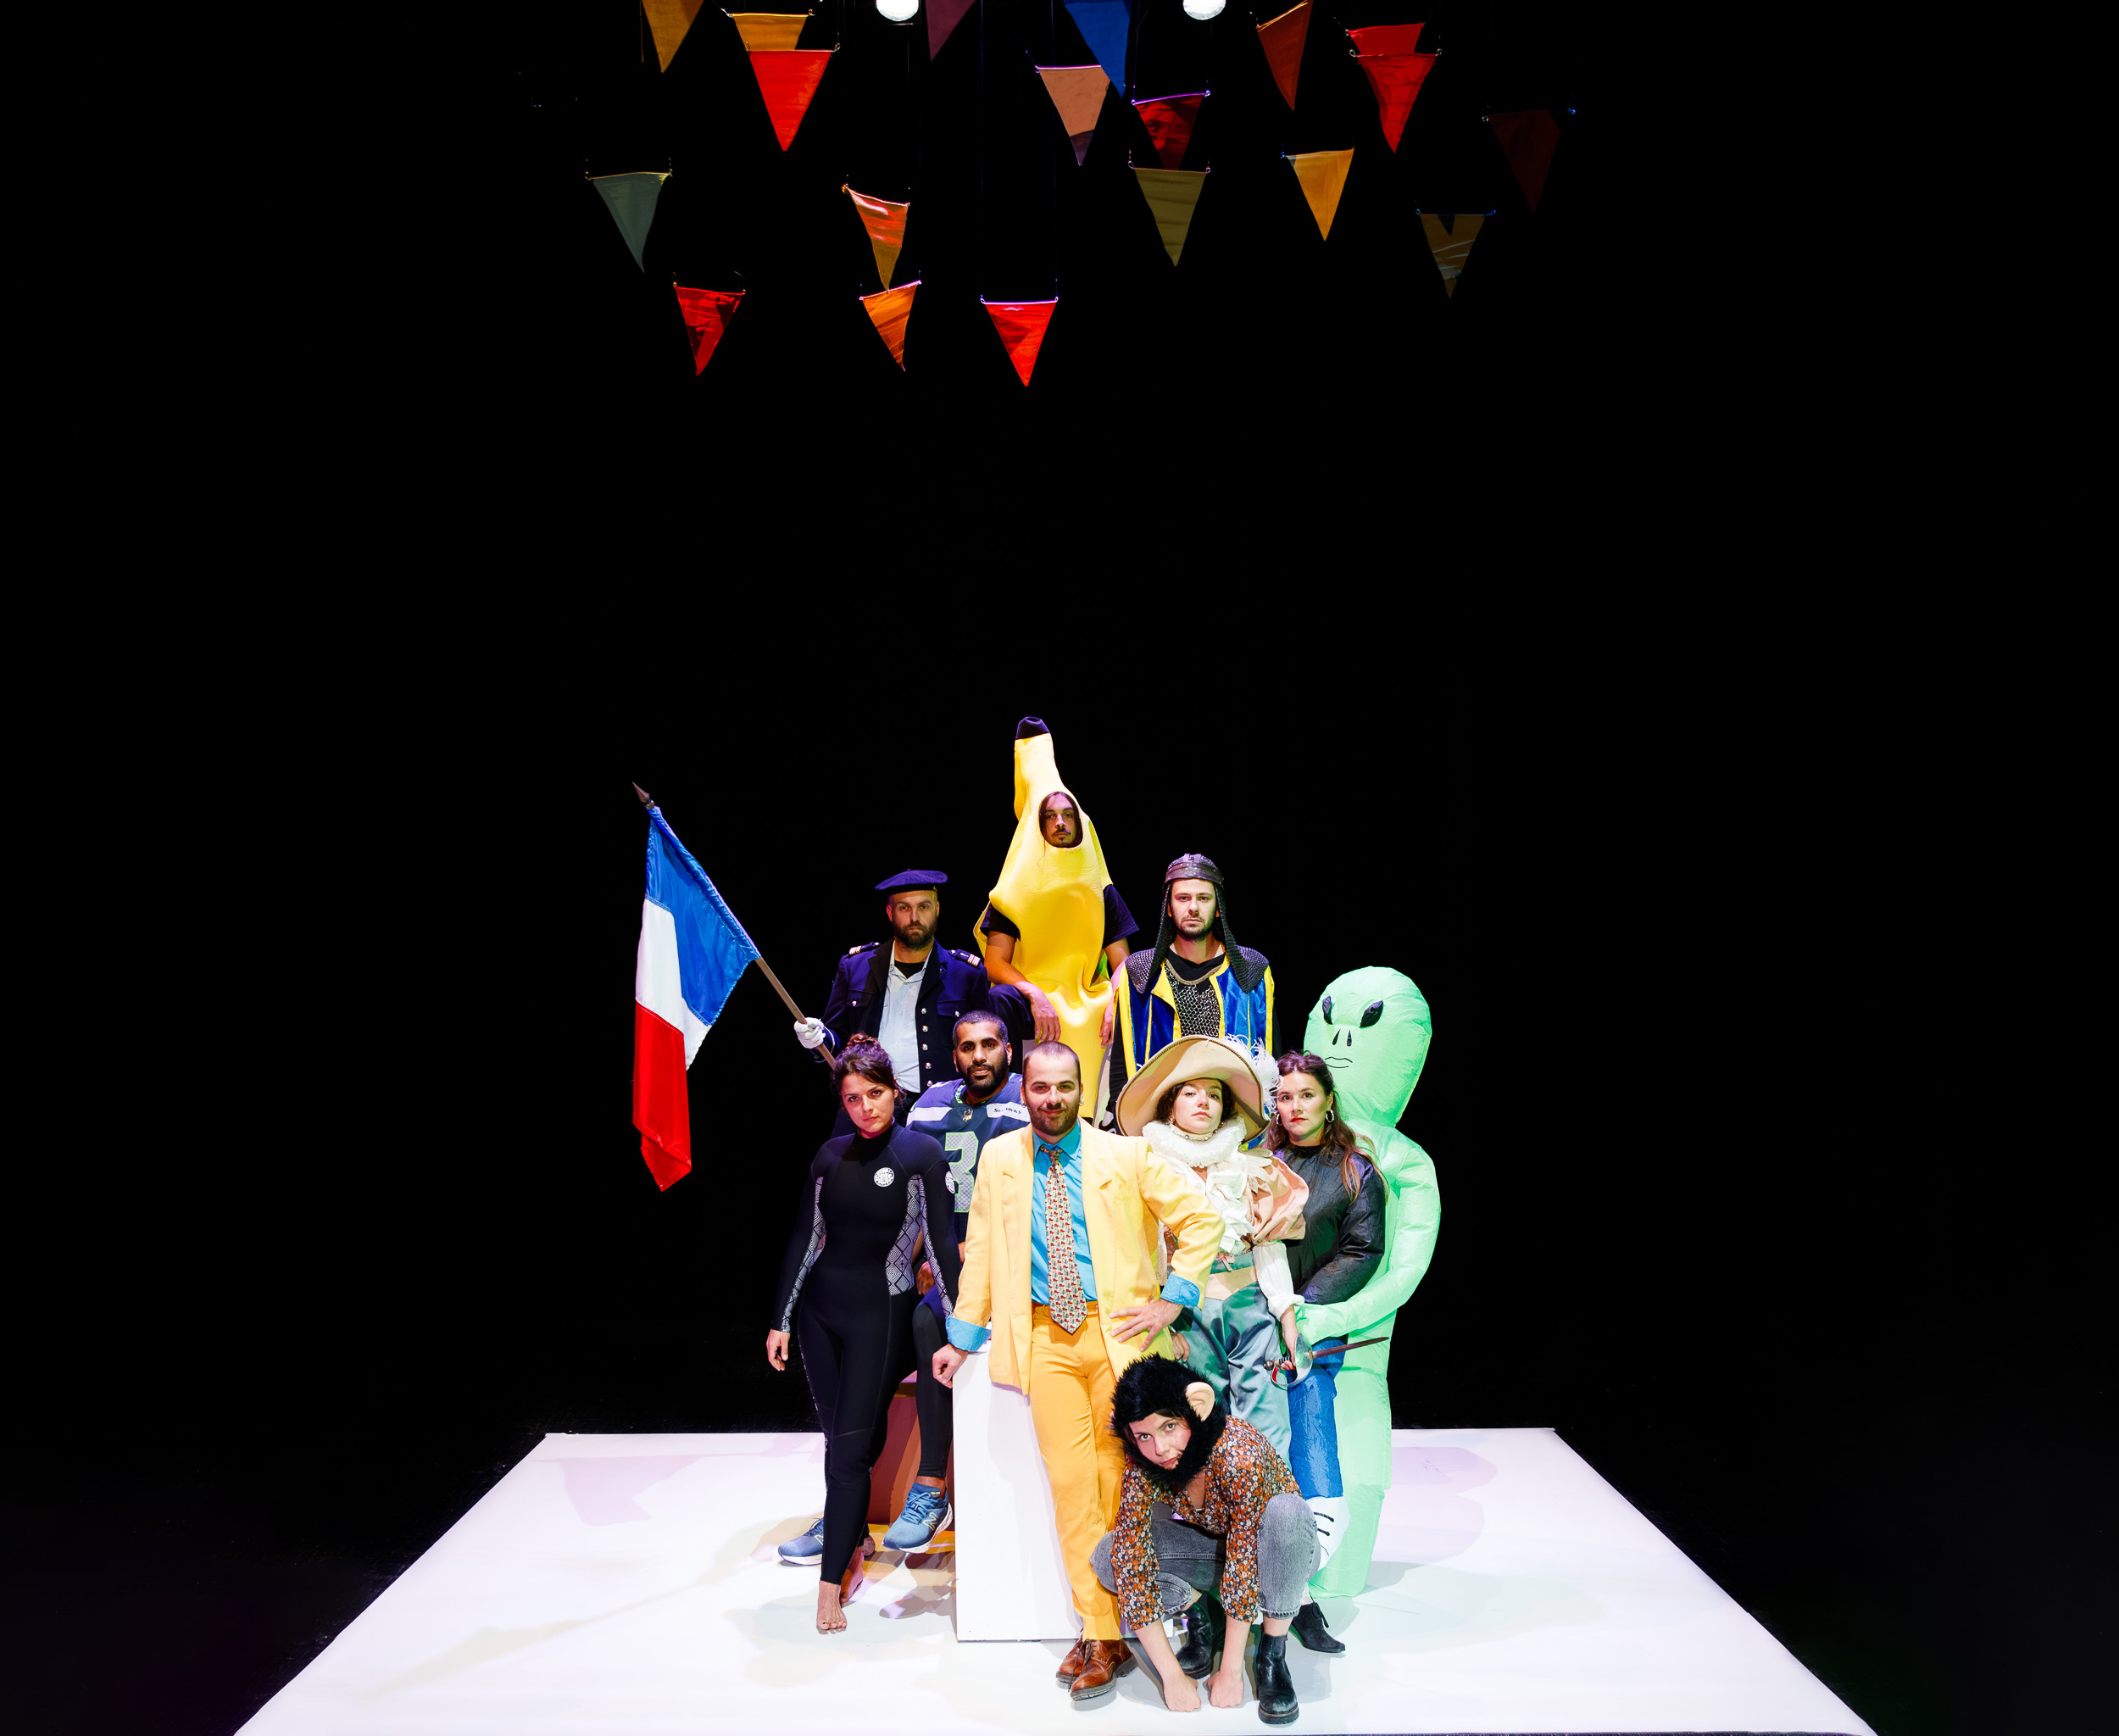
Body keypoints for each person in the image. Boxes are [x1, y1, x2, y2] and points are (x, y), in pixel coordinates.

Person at [931, 1041, 1224, 1705]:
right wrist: (962, 1337)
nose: (1053, 1098)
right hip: (1045, 1338)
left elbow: (1202, 1218)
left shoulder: (1126, 1154)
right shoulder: (1000, 1158)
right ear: (1024, 1090)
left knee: (1120, 1487)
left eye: (1065, 1086)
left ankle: (1131, 1623)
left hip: (1118, 1336)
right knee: (1070, 1489)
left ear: (1081, 1090)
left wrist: (1173, 1299)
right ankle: (1101, 1632)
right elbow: (982, 1253)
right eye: (1040, 1087)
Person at [776, 1011, 1026, 1566]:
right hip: (945, 1258)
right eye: (967, 1047)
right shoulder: (931, 1104)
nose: (978, 1056)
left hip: (1007, 1259)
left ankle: (931, 1484)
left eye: (989, 1045)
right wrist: (914, 1258)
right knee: (878, 1351)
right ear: (953, 1054)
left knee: (924, 1322)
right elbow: (909, 1194)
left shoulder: (1029, 1098)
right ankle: (847, 1511)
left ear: (1009, 1050)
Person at [767, 1042, 963, 1634]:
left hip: (880, 1316)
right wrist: (781, 1318)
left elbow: (941, 1246)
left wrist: (960, 1327)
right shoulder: (829, 1156)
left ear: (895, 1092)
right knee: (840, 1443)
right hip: (820, 1319)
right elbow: (805, 1238)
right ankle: (852, 1541)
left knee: (850, 1452)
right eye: (852, 1099)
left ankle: (829, 1585)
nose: (865, 1108)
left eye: (874, 1094)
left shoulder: (920, 1155)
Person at [1276, 970, 1441, 1611]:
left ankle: (1318, 1595)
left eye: (1368, 1023)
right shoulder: (1270, 1150)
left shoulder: (1402, 1161)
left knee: (1352, 1467)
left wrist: (1325, 1315)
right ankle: (1266, 1593)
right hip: (1273, 1331)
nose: (1345, 1037)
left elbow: (1401, 1268)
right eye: (1333, 1018)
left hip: (1357, 1344)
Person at [1091, 1355, 1316, 1724]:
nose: (1159, 1449)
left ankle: (1272, 1655)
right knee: (1109, 1556)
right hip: (1219, 1550)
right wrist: (1171, 1678)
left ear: (1197, 1408)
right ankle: (1200, 1615)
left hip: (1278, 1552)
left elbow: (1244, 1559)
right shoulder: (1143, 1463)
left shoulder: (1238, 1453)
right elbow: (1131, 1559)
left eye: (1169, 1427)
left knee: (1286, 1513)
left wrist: (1230, 1672)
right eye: (1144, 1435)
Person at [1113, 1033, 1307, 1452]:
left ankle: (1271, 1496)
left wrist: (1288, 1320)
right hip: (1188, 1315)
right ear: (1170, 1105)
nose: (1203, 1101)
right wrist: (1166, 1327)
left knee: (1269, 1426)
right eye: (1190, 1092)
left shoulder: (1251, 1167)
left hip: (1251, 1307)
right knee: (1202, 1427)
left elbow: (1268, 1246)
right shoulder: (1146, 1168)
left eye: (1214, 1094)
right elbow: (1137, 1253)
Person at [1261, 1049, 1388, 1654]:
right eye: (1284, 1097)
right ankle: (1269, 1599)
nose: (1295, 1107)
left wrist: (1304, 1309)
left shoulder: (1356, 1172)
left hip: (1311, 1335)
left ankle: (1301, 1595)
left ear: (1328, 1099)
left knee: (1312, 1455)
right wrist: (1270, 1308)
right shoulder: (1259, 1164)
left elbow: (1363, 1250)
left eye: (1306, 1095)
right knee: (1260, 1461)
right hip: (1253, 1331)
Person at [975, 720, 1135, 1120]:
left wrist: (1116, 999)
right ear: (1039, 826)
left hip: (1088, 994)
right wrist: (1035, 993)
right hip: (1032, 994)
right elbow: (995, 963)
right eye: (1050, 816)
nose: (1061, 822)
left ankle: (1110, 1117)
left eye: (1068, 815)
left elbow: (1122, 962)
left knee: (1131, 1000)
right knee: (1000, 999)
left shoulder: (1101, 888)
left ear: (1080, 823)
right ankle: (1009, 1108)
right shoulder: (1016, 889)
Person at [793, 871, 1015, 1120]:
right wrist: (816, 1037)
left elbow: (982, 1044)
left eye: (923, 907)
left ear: (937, 909)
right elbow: (836, 1040)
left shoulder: (966, 973)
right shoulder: (855, 966)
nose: (914, 917)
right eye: (904, 908)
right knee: (835, 1147)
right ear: (890, 913)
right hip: (868, 1107)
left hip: (940, 1110)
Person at [1112, 854, 1273, 1104]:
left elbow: (1271, 1058)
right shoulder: (1140, 973)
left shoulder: (1251, 970)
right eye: (1183, 898)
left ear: (1218, 908)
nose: (1193, 908)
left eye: (1204, 898)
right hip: (1157, 1118)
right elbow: (1121, 1065)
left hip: (1233, 1117)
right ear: (1168, 907)